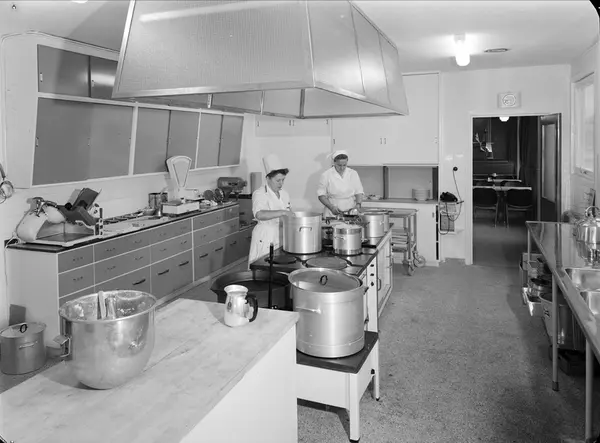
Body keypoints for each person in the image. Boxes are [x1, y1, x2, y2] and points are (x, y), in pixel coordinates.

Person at [247, 154, 294, 265]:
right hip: (266, 235)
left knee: (280, 267)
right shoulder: (260, 193)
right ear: (268, 178)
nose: (281, 183)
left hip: (281, 235)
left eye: (283, 180)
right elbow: (259, 214)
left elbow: (290, 212)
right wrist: (282, 212)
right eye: (278, 180)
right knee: (262, 267)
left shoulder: (284, 194)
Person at [317, 150, 365, 217]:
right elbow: (321, 195)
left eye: (344, 165)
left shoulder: (353, 173)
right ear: (334, 163)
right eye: (339, 165)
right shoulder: (326, 175)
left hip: (350, 211)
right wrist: (331, 207)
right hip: (332, 212)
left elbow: (359, 192)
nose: (342, 168)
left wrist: (358, 205)